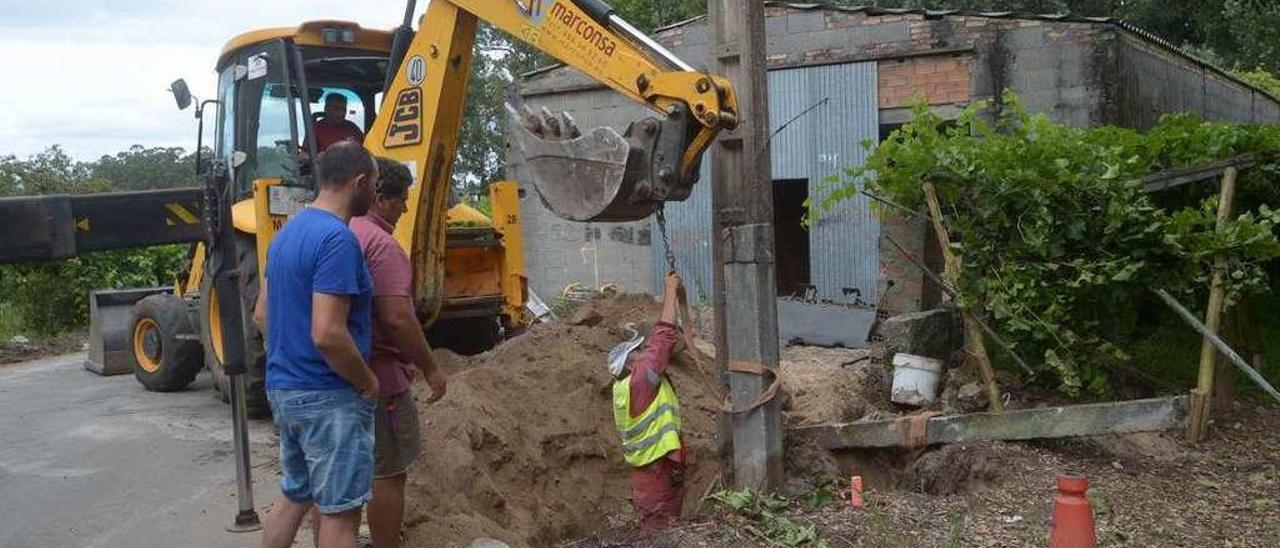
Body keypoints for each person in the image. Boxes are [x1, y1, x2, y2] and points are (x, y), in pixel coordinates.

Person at [254, 141, 380, 548]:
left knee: (294, 494)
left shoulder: (287, 234)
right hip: (330, 397)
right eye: (375, 185)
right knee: (341, 515)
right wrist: (365, 381)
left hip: (285, 390)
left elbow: (261, 316)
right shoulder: (337, 241)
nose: (376, 194)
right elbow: (327, 332)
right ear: (359, 182)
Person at [346, 157, 448, 547]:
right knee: (388, 472)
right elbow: (398, 318)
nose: (406, 207)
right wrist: (431, 369)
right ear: (382, 198)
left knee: (342, 475)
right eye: (402, 199)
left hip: (344, 375)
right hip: (383, 378)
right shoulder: (383, 245)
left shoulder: (344, 232)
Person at [608, 272, 687, 529]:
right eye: (638, 352)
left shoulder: (626, 388)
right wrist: (670, 291)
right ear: (631, 365)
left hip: (650, 474)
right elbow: (662, 341)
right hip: (655, 475)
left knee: (660, 531)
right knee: (659, 535)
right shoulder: (640, 381)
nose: (644, 353)